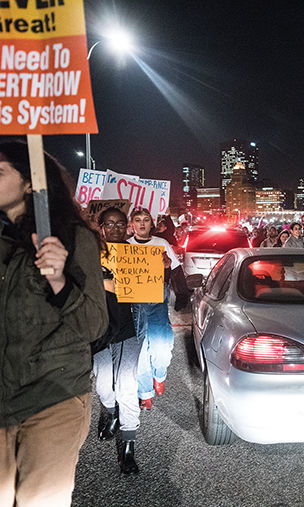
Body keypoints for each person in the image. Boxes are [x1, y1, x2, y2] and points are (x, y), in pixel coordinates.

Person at [0, 141, 108, 505]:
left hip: (53, 397)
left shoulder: (74, 239)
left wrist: (60, 281)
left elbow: (94, 325)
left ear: (30, 183)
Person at [93, 207, 143, 474]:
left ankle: (128, 448)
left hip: (126, 329)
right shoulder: (91, 252)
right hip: (99, 329)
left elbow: (144, 287)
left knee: (127, 387)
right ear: (101, 227)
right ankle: (109, 411)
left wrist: (163, 270)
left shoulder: (136, 255)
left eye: (120, 224)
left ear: (128, 227)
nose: (114, 228)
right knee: (103, 385)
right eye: (109, 224)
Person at [128, 208, 189, 410]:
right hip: (134, 304)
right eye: (138, 220)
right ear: (132, 224)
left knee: (161, 346)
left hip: (157, 302)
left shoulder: (161, 244)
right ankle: (145, 392)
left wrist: (167, 269)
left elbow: (175, 272)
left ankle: (159, 373)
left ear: (151, 223)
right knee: (140, 349)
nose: (142, 223)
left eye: (146, 220)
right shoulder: (125, 246)